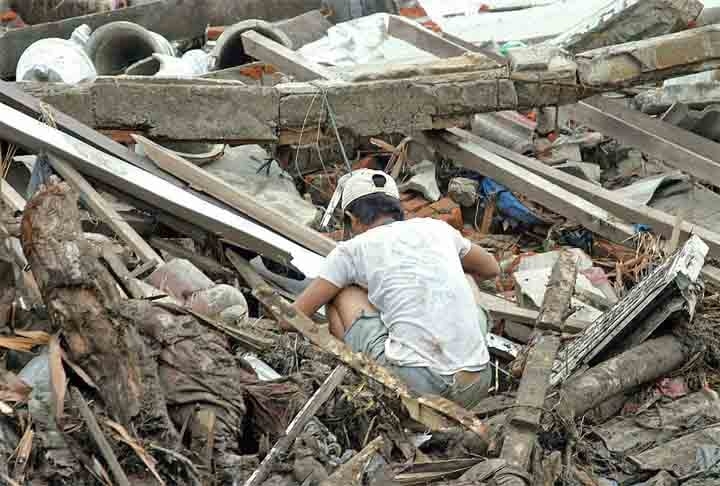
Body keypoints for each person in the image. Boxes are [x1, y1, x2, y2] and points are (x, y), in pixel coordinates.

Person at [294, 169, 500, 408]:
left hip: (417, 388)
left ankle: (363, 383)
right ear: (397, 209)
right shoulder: (437, 228)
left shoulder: (351, 250)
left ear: (352, 219)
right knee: (465, 275)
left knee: (341, 292)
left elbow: (293, 317)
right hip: (477, 383)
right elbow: (491, 268)